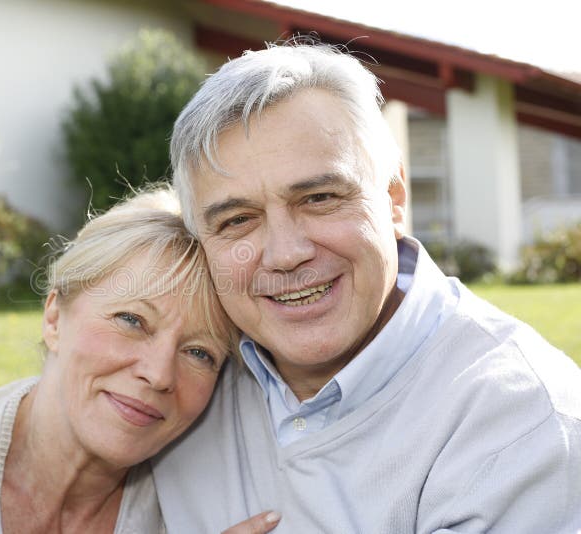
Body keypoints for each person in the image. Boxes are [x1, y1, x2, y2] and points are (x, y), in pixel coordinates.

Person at [151, 41, 581, 533]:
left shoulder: (520, 422)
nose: (286, 253)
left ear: (394, 198)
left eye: (319, 197)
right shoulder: (170, 382)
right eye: (238, 220)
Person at [0, 187, 247, 533]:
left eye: (199, 353)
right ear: (54, 317)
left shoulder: (199, 498)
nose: (159, 374)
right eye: (132, 320)